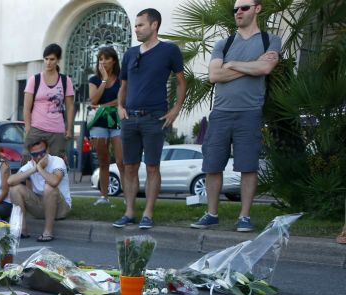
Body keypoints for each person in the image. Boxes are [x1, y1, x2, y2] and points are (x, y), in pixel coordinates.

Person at [192, 1, 281, 233]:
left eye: (243, 7)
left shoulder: (270, 40)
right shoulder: (224, 42)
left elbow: (265, 69)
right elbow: (214, 75)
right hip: (220, 113)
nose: (238, 12)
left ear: (257, 9)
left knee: (248, 167)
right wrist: (251, 65)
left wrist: (231, 64)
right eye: (235, 9)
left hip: (250, 113)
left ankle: (244, 217)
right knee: (212, 165)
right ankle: (211, 214)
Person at [114, 8, 186, 230]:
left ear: (154, 25)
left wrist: (175, 109)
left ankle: (148, 213)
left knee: (153, 167)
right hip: (130, 118)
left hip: (154, 117)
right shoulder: (130, 53)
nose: (136, 29)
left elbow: (181, 81)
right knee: (129, 167)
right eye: (135, 25)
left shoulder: (169, 51)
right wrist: (119, 106)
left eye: (140, 25)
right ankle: (129, 212)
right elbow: (123, 86)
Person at [6, 138, 71, 241]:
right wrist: (33, 169)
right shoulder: (30, 165)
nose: (39, 156)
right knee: (15, 189)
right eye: (35, 155)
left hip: (61, 208)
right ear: (31, 156)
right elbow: (10, 181)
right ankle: (22, 229)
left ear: (48, 150)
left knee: (49, 187)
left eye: (42, 153)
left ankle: (48, 232)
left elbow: (54, 181)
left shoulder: (57, 161)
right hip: (41, 206)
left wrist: (39, 168)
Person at [23, 44, 75, 161]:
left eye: (52, 59)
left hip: (57, 130)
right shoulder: (34, 80)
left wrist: (69, 128)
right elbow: (26, 108)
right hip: (36, 129)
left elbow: (70, 106)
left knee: (55, 165)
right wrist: (28, 129)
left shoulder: (66, 81)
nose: (48, 62)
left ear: (58, 60)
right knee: (28, 164)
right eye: (46, 59)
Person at [87, 46, 124, 205]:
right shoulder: (94, 80)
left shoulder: (122, 77)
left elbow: (122, 99)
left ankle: (126, 197)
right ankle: (104, 196)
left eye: (106, 58)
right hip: (99, 122)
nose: (103, 62)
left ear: (114, 60)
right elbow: (93, 100)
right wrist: (103, 79)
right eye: (100, 59)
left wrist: (104, 106)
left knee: (121, 160)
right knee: (103, 161)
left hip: (117, 119)